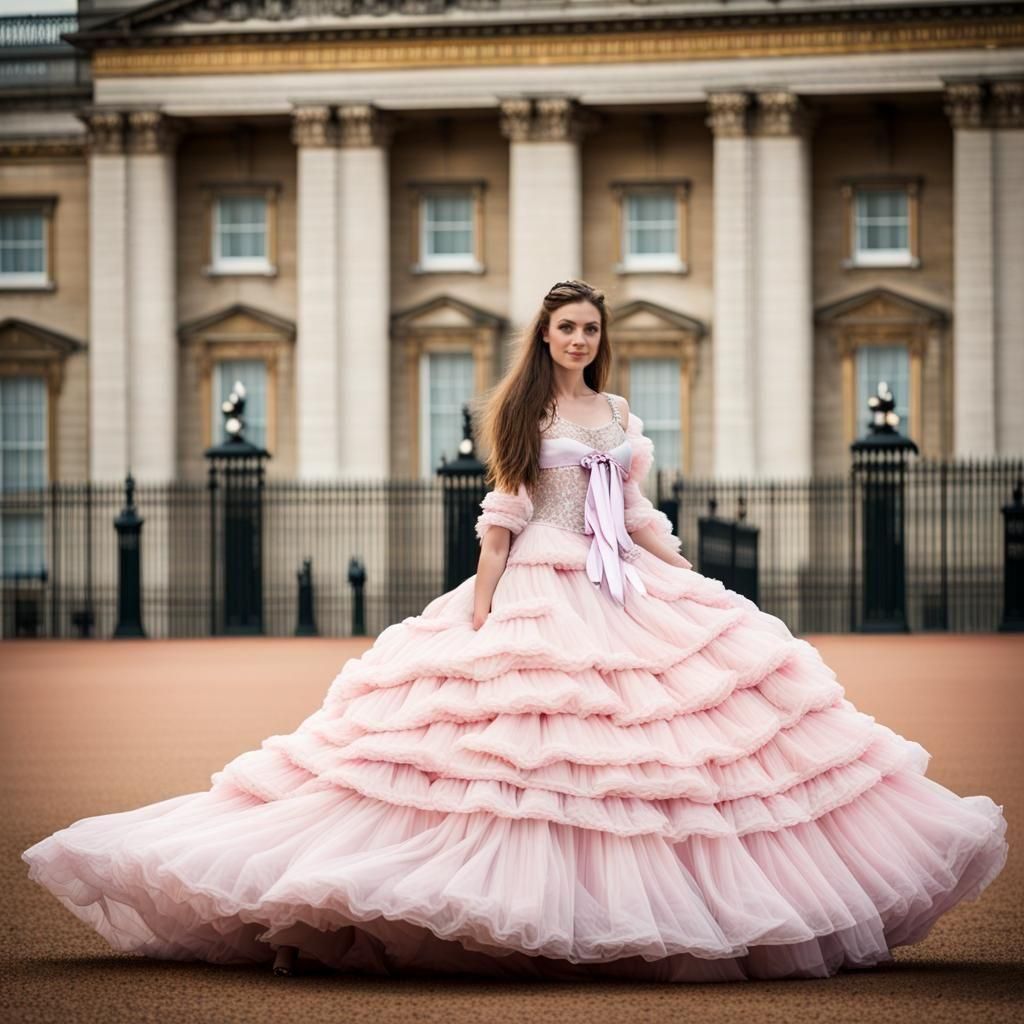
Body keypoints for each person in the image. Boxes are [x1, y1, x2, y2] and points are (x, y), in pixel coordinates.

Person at [22, 279, 1008, 983]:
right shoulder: (521, 409)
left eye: (587, 328)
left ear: (597, 336)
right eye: (563, 327)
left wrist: (683, 571)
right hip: (538, 579)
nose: (575, 339)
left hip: (618, 580)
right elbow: (500, 515)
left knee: (648, 756)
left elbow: (639, 515)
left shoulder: (617, 409)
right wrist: (483, 606)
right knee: (519, 756)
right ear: (543, 335)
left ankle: (622, 911)